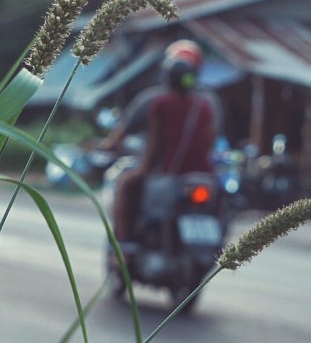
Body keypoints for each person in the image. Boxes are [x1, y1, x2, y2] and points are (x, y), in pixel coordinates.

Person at [95, 38, 222, 249]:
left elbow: (152, 141)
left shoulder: (157, 102)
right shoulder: (207, 104)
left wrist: (144, 167)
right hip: (202, 172)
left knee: (126, 184)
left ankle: (125, 245)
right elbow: (211, 141)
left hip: (165, 172)